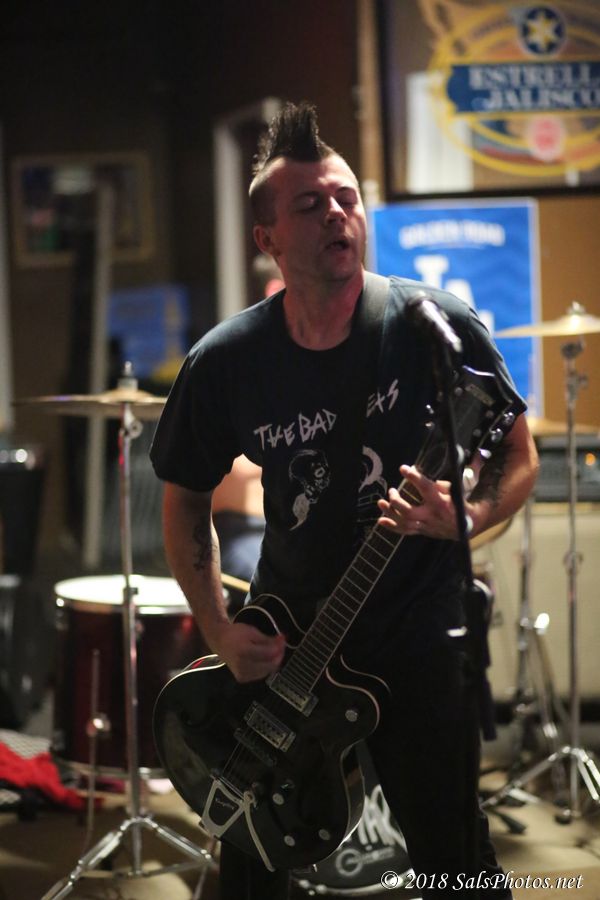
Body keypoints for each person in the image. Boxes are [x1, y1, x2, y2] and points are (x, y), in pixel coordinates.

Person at [150, 102, 539, 899]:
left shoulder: (432, 326)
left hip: (417, 631)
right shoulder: (227, 361)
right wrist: (218, 628)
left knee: (455, 861)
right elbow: (184, 499)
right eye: (310, 204)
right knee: (253, 866)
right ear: (268, 239)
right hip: (290, 638)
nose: (337, 213)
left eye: (346, 198)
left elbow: (516, 452)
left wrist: (464, 517)